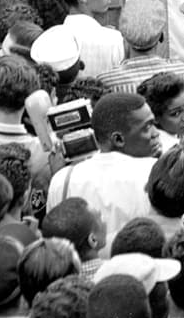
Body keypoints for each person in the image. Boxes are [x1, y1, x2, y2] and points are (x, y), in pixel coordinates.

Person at [44, 91, 160, 242]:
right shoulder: (154, 172)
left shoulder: (61, 179)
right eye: (147, 127)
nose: (156, 133)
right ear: (118, 139)